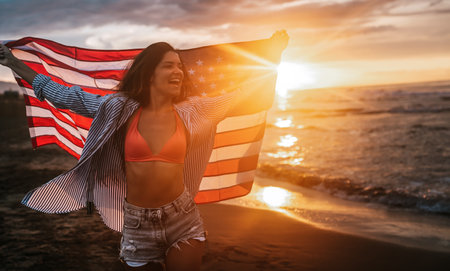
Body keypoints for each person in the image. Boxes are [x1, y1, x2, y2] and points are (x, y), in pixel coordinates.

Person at [0, 30, 288, 271]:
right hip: (137, 223)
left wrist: (272, 55)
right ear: (149, 74)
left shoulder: (195, 111)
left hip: (183, 217)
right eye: (169, 65)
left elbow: (244, 95)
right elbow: (62, 95)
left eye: (180, 67)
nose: (178, 71)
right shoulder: (117, 108)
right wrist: (14, 63)